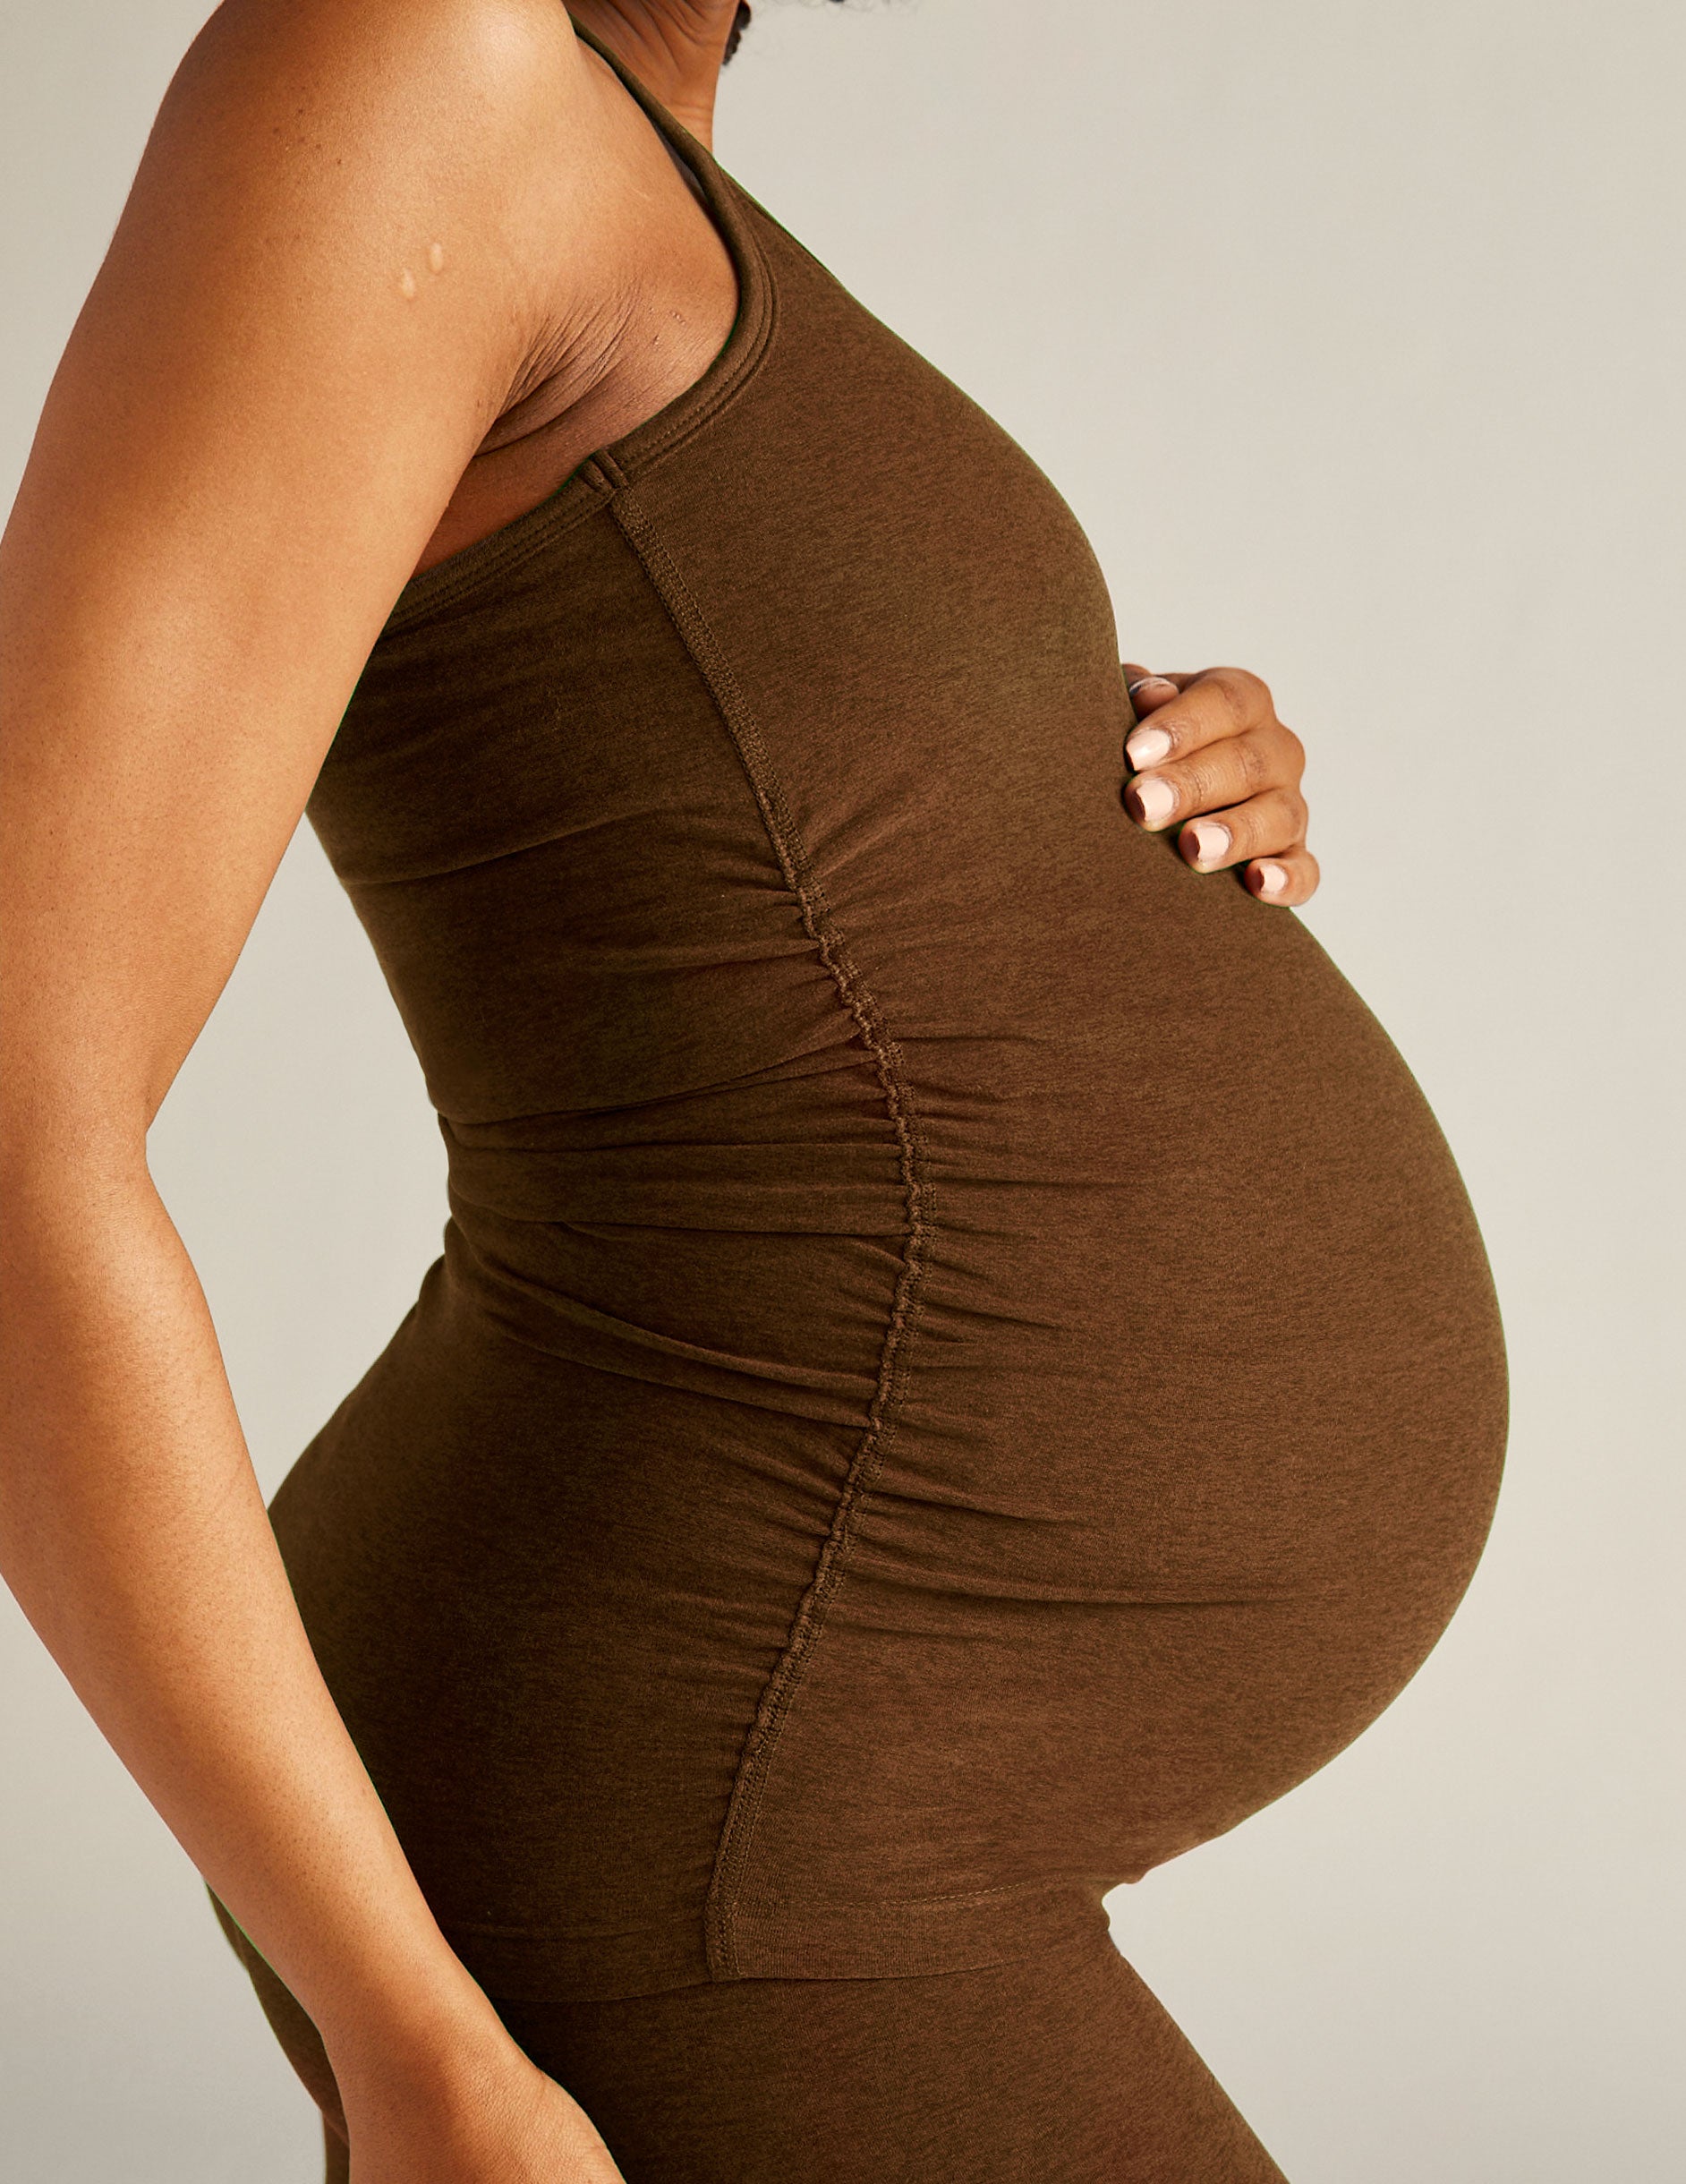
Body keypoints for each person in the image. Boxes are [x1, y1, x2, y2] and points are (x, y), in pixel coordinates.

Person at [0, 2, 1507, 2178]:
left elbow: (675, 757)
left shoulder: (633, 153)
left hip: (790, 1789)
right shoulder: (411, 55)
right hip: (704, 1807)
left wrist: (1079, 783)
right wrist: (412, 2036)